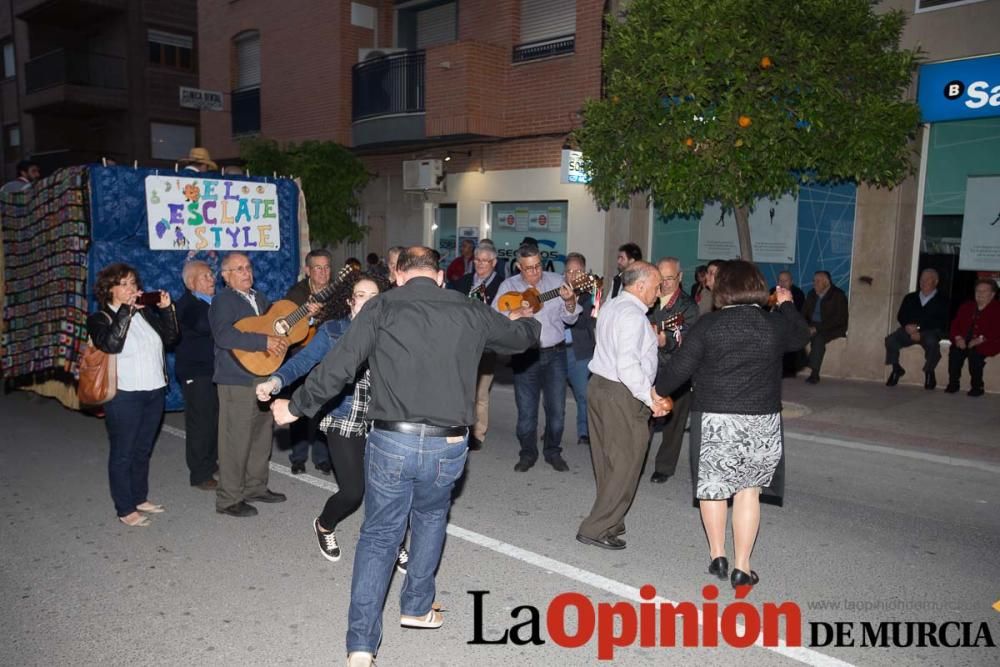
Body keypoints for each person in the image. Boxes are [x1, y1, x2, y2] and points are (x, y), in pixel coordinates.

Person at [271, 246, 540, 667]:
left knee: (379, 537)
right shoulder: (467, 308)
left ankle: (361, 647)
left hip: (391, 440)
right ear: (439, 277)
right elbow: (521, 339)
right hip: (448, 443)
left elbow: (339, 364)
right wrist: (528, 320)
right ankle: (416, 607)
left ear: (397, 275)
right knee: (431, 518)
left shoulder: (380, 308)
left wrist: (295, 405)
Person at [656, 260, 810, 589]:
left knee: (712, 490)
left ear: (723, 290)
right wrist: (786, 306)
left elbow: (678, 371)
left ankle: (717, 556)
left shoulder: (709, 326)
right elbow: (801, 336)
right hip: (761, 421)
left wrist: (655, 392)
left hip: (716, 420)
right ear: (757, 286)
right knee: (747, 492)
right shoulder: (773, 325)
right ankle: (743, 566)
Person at [256, 272, 409, 573]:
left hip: (383, 420)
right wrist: (276, 380)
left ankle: (394, 545)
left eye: (374, 297)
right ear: (351, 301)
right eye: (362, 295)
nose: (368, 302)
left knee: (390, 489)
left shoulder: (390, 332)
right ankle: (325, 525)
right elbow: (303, 361)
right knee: (353, 492)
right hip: (344, 417)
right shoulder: (334, 330)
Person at [577, 262, 671, 550]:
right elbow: (628, 364)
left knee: (608, 462)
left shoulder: (612, 306)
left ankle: (611, 522)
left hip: (601, 386)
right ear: (640, 286)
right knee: (627, 464)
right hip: (622, 392)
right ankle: (595, 528)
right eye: (656, 286)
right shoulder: (632, 316)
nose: (659, 293)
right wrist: (650, 398)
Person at [87, 263, 178, 527]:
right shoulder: (100, 318)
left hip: (154, 391)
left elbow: (172, 339)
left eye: (133, 283)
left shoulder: (145, 315)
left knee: (142, 449)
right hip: (123, 395)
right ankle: (125, 508)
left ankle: (139, 497)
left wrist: (166, 310)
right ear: (109, 289)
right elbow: (112, 344)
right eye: (124, 284)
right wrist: (126, 311)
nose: (131, 289)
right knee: (123, 452)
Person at [209, 252, 288, 517]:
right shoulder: (223, 301)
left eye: (248, 267)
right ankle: (229, 499)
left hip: (262, 375)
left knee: (260, 435)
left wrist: (305, 317)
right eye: (239, 269)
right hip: (236, 378)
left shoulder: (259, 298)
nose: (246, 272)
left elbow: (276, 325)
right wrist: (262, 342)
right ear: (226, 276)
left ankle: (256, 486)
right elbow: (224, 335)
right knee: (235, 439)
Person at [494, 244, 580, 472]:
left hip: (556, 354)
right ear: (519, 267)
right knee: (526, 413)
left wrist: (570, 301)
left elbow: (570, 319)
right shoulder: (508, 286)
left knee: (557, 413)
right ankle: (527, 453)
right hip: (525, 357)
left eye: (538, 266)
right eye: (529, 268)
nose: (535, 272)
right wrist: (514, 314)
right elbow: (494, 319)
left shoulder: (556, 282)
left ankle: (552, 451)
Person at [648, 257, 700, 484]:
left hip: (676, 371)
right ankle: (635, 462)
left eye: (670, 278)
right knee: (644, 420)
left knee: (673, 423)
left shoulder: (687, 306)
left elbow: (686, 340)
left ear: (679, 278)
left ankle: (664, 467)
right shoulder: (648, 298)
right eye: (662, 278)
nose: (666, 283)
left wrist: (664, 342)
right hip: (648, 370)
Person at [283, 249, 335, 475]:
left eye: (326, 267)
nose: (323, 272)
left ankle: (322, 457)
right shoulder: (296, 294)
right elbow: (287, 325)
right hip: (302, 356)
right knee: (300, 404)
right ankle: (298, 456)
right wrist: (309, 316)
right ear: (307, 270)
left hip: (330, 357)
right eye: (318, 268)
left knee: (326, 406)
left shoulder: (339, 292)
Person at [449, 244, 504, 450]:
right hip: (461, 344)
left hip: (486, 346)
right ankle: (461, 428)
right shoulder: (462, 282)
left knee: (480, 393)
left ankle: (477, 434)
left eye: (485, 261)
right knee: (462, 390)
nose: (480, 264)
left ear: (494, 263)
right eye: (477, 260)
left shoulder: (502, 285)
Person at [174, 260, 219, 490]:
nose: (212, 279)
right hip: (196, 371)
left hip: (215, 371)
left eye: (212, 275)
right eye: (206, 276)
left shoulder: (213, 302)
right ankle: (200, 473)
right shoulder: (187, 304)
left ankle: (211, 463)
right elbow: (204, 326)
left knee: (214, 420)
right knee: (200, 423)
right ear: (192, 282)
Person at [885, 268, 950, 390]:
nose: (923, 282)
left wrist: (919, 328)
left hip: (930, 331)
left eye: (927, 279)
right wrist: (908, 327)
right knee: (890, 340)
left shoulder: (943, 300)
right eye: (921, 279)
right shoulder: (910, 297)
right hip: (909, 330)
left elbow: (941, 320)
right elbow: (901, 315)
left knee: (932, 343)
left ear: (935, 282)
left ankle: (929, 372)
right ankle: (896, 369)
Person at [563, 253, 597, 446]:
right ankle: (552, 430)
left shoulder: (591, 294)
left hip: (579, 351)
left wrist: (570, 302)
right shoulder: (556, 292)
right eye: (569, 271)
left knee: (583, 394)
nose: (573, 275)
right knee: (554, 394)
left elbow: (583, 322)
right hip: (556, 350)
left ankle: (584, 432)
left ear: (585, 273)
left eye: (577, 271)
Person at [946, 279, 1000, 397]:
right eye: (977, 291)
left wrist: (980, 339)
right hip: (965, 340)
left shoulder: (997, 308)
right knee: (955, 352)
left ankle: (977, 386)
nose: (980, 294)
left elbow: (996, 330)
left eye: (984, 291)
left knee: (975, 354)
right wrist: (958, 337)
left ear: (992, 294)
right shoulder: (967, 306)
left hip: (988, 341)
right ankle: (953, 383)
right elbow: (955, 324)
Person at [801, 270, 849, 384]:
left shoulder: (838, 295)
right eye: (814, 281)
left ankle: (814, 373)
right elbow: (804, 313)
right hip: (813, 325)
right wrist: (805, 326)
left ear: (826, 282)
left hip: (833, 327)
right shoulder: (812, 293)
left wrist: (817, 328)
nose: (814, 283)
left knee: (818, 339)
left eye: (818, 281)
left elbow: (838, 319)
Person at [771, 271, 807, 376]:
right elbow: (767, 308)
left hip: (790, 324)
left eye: (785, 281)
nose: (782, 283)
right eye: (780, 280)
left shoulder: (798, 293)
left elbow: (798, 314)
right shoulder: (773, 291)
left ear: (791, 282)